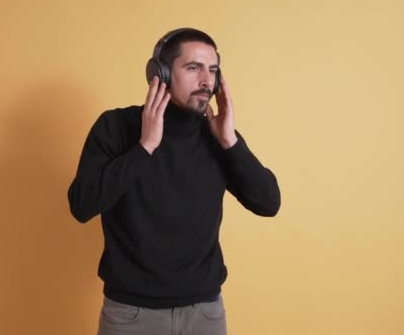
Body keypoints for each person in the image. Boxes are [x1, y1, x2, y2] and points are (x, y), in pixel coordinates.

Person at [67, 27, 281, 335]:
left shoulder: (217, 134)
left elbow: (268, 203)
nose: (207, 81)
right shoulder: (116, 127)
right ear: (161, 74)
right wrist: (145, 147)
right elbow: (82, 205)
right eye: (193, 68)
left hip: (205, 314)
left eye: (213, 70)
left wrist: (231, 141)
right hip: (131, 316)